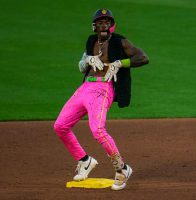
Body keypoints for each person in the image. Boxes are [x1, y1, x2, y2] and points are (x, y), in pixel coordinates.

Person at [53, 8, 149, 191]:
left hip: (103, 89)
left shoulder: (120, 41)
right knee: (60, 125)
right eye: (100, 22)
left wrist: (120, 63)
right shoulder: (91, 41)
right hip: (85, 88)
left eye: (107, 21)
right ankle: (85, 160)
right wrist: (87, 60)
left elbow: (143, 58)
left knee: (97, 129)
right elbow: (82, 68)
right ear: (94, 26)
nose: (103, 24)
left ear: (111, 25)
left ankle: (122, 169)